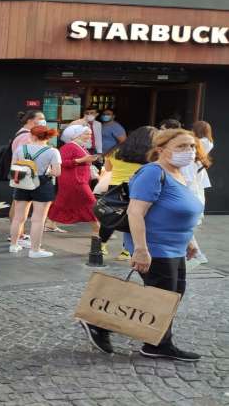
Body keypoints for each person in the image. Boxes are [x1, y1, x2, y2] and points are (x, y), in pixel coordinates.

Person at [80, 129, 203, 361]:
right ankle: (156, 344)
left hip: (175, 245)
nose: (189, 151)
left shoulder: (177, 173)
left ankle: (101, 323)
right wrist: (140, 249)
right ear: (160, 149)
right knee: (162, 295)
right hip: (156, 246)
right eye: (182, 146)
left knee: (171, 295)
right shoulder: (152, 173)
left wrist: (190, 240)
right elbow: (136, 212)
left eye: (192, 146)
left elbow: (176, 211)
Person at [98, 126, 157, 260]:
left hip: (115, 188)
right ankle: (126, 251)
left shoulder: (116, 150)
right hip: (139, 188)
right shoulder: (152, 154)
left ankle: (100, 246)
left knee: (110, 217)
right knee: (136, 218)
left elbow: (108, 168)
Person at [8, 125, 62, 258]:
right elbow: (57, 172)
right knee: (38, 220)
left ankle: (14, 245)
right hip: (42, 185)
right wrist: (47, 171)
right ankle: (35, 250)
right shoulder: (52, 151)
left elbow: (13, 167)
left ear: (32, 136)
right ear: (48, 137)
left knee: (18, 218)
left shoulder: (21, 149)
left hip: (22, 184)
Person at [48, 125, 101, 251]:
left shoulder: (80, 147)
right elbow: (62, 163)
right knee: (90, 202)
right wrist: (82, 159)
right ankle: (97, 229)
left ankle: (50, 223)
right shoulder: (69, 146)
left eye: (89, 134)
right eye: (86, 134)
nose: (89, 136)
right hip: (74, 180)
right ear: (75, 134)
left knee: (62, 201)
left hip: (78, 179)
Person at [9, 110, 50, 243]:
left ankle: (17, 237)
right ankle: (18, 236)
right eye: (41, 118)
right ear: (31, 121)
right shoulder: (27, 136)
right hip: (28, 177)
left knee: (17, 207)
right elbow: (25, 158)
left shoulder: (21, 133)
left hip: (21, 175)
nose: (44, 121)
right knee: (21, 212)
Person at [183, 121, 214, 264]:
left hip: (190, 191)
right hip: (196, 188)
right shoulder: (208, 142)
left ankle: (196, 253)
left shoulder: (196, 147)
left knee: (185, 226)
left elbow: (187, 180)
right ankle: (194, 252)